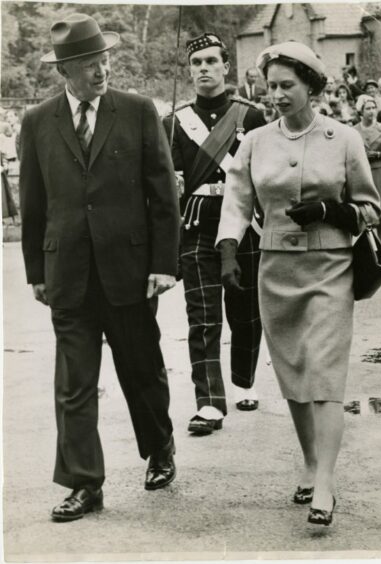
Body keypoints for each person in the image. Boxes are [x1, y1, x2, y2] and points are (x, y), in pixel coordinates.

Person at [19, 13, 180, 522]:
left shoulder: (135, 111)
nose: (100, 70)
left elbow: (162, 194)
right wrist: (35, 273)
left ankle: (160, 447)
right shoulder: (37, 122)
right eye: (88, 63)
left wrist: (163, 264)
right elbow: (34, 203)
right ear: (64, 70)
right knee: (74, 385)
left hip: (130, 272)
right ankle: (85, 483)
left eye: (104, 59)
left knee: (142, 372)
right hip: (67, 274)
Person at [216, 41, 380, 526]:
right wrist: (228, 249)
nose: (278, 95)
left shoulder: (343, 138)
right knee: (293, 376)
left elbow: (372, 208)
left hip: (330, 266)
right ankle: (310, 463)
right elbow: (238, 201)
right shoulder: (256, 141)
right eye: (272, 87)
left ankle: (325, 484)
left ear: (311, 85)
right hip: (276, 268)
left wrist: (333, 210)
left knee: (325, 376)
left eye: (288, 86)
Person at [163, 33, 265, 435]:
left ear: (226, 67)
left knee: (246, 313)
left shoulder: (253, 116)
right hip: (198, 225)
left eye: (210, 61)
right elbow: (170, 186)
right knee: (202, 318)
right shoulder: (173, 123)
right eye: (196, 63)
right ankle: (208, 403)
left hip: (244, 226)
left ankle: (245, 380)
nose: (203, 68)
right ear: (190, 71)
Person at [354, 95, 381, 242]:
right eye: (368, 108)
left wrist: (378, 154)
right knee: (365, 211)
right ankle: (368, 246)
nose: (372, 111)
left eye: (373, 107)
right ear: (361, 111)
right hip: (362, 173)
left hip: (380, 172)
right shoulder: (354, 131)